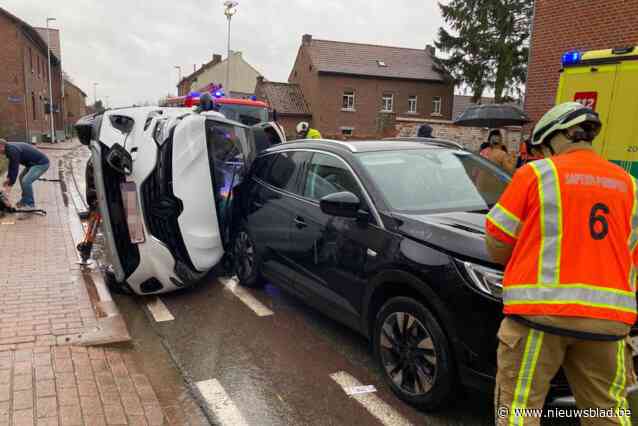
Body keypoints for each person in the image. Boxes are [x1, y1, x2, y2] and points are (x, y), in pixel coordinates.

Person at [485, 102, 637, 426]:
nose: (541, 156)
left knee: (518, 410)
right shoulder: (629, 185)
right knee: (607, 412)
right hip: (608, 324)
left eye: (542, 148)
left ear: (558, 137)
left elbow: (497, 243)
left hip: (540, 317)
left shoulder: (536, 174)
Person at [0, 139, 50, 209]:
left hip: (41, 164)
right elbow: (11, 165)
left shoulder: (12, 150)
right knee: (21, 178)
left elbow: (14, 168)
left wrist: (9, 187)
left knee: (26, 181)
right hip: (32, 164)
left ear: (1, 146)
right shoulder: (9, 148)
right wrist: (8, 178)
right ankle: (25, 200)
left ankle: (30, 204)